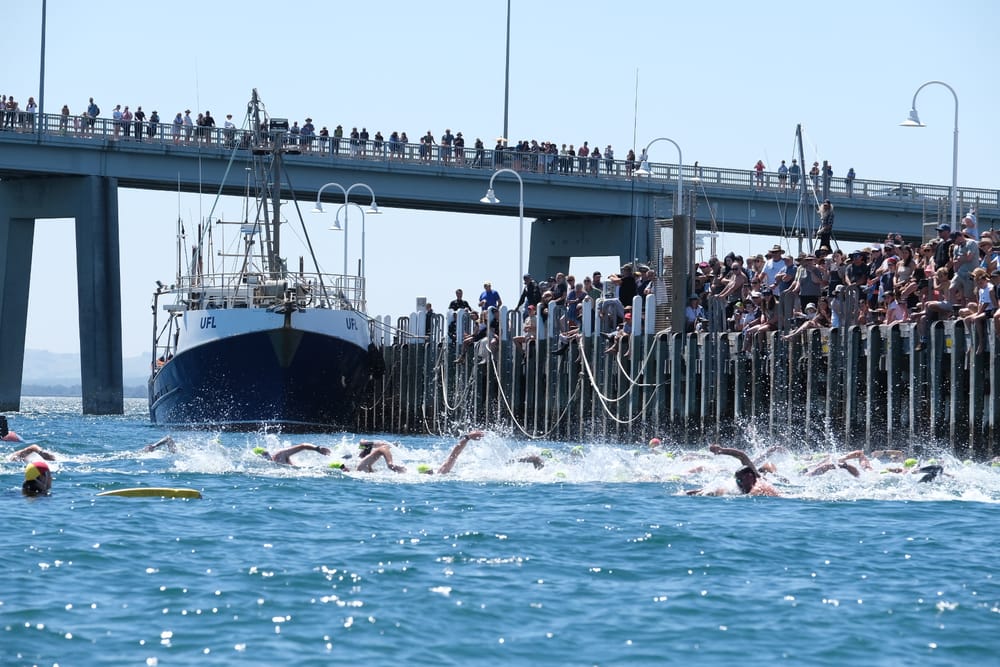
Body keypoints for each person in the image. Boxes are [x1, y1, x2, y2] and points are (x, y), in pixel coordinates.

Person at [690, 444, 780, 496]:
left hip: (764, 474)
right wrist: (695, 492)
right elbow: (712, 490)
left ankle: (773, 458)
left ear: (749, 478)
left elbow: (742, 455)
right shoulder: (736, 485)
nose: (738, 484)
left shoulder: (758, 485)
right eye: (738, 481)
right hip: (754, 472)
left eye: (740, 481)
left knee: (768, 466)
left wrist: (722, 450)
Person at [419, 430, 485, 474]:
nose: (433, 471)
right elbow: (453, 455)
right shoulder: (441, 473)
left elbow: (453, 455)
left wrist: (468, 437)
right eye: (431, 471)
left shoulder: (438, 474)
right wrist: (468, 437)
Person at [254, 443, 331, 466]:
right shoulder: (267, 467)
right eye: (264, 455)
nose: (266, 457)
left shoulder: (280, 455)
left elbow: (303, 446)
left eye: (266, 454)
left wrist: (317, 448)